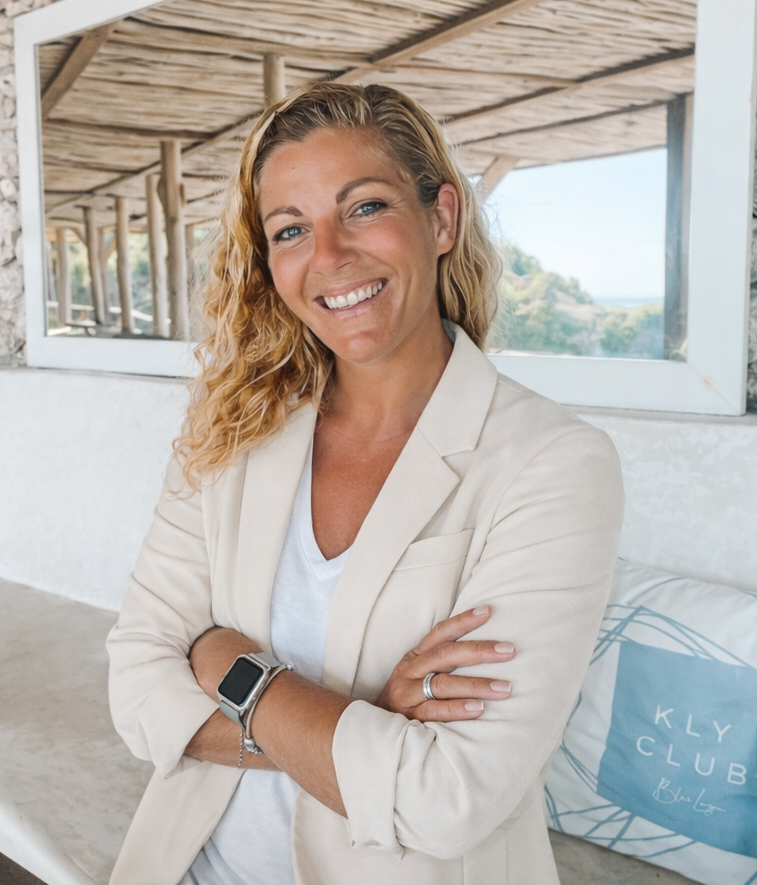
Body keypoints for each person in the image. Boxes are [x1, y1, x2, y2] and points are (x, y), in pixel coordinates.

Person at [106, 82, 624, 885]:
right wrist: (364, 723)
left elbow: (448, 797)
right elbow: (137, 690)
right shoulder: (230, 433)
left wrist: (227, 662)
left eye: (364, 208)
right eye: (290, 230)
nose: (330, 257)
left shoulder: (551, 462)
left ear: (441, 219)